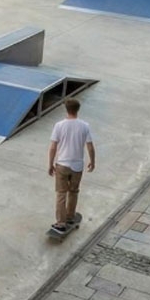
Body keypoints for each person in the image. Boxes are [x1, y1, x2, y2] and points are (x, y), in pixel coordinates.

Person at [48, 99, 95, 235]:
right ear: (78, 109)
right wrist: (92, 161)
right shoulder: (84, 126)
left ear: (66, 109)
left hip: (62, 164)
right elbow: (90, 146)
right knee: (73, 192)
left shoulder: (59, 125)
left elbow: (53, 146)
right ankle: (70, 217)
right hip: (77, 165)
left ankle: (60, 223)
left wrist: (50, 164)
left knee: (61, 193)